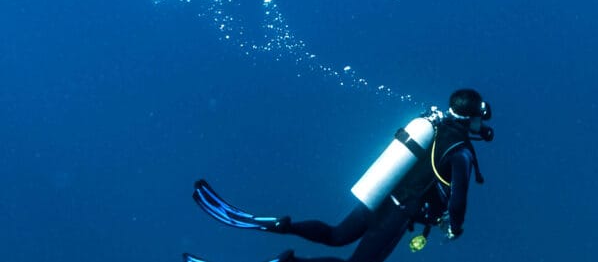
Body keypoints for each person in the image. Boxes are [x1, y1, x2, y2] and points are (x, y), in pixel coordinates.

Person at [187, 89, 493, 262]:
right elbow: (458, 198)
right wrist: (454, 227)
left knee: (335, 235)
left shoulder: (434, 128)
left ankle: (281, 225)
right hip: (398, 215)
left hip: (380, 196)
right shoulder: (461, 152)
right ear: (473, 118)